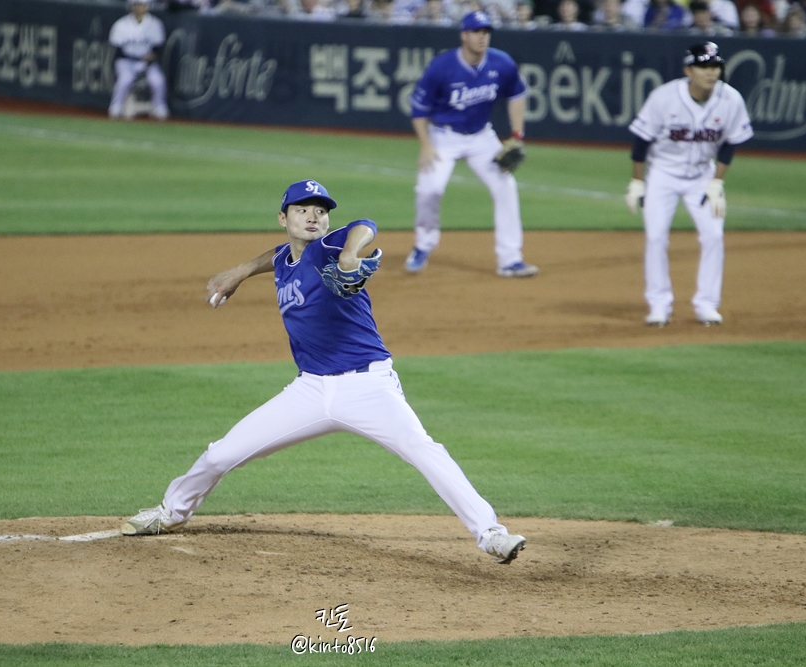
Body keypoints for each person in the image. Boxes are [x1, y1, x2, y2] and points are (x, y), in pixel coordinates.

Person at [121, 179, 528, 565]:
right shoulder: (286, 257)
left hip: (369, 387)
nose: (313, 217)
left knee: (424, 450)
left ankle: (490, 533)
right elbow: (276, 256)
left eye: (320, 211)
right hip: (310, 392)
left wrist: (350, 255)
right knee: (221, 453)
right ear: (284, 218)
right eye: (302, 210)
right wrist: (241, 271)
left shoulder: (328, 247)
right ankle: (171, 512)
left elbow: (364, 226)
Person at [625, 42, 753, 327]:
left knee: (714, 236)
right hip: (663, 174)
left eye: (715, 66)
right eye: (704, 66)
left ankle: (707, 304)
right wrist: (637, 180)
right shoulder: (664, 97)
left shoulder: (731, 99)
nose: (711, 72)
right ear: (688, 70)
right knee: (656, 237)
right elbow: (641, 141)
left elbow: (730, 144)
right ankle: (659, 305)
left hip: (702, 175)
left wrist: (717, 183)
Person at [405, 11, 538, 278]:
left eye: (486, 32)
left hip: (481, 137)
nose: (482, 37)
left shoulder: (501, 63)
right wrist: (426, 145)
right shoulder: (442, 67)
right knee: (429, 190)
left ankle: (510, 259)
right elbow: (418, 109)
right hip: (443, 136)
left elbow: (517, 95)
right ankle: (423, 245)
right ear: (464, 35)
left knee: (506, 186)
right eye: (477, 32)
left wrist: (517, 135)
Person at [108, 0, 169, 120]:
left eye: (142, 4)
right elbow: (118, 50)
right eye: (137, 4)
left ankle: (160, 107)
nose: (139, 7)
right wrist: (138, 58)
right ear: (132, 6)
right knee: (125, 79)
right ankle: (116, 107)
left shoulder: (154, 24)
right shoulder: (121, 24)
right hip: (127, 61)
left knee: (158, 80)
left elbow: (158, 48)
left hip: (147, 63)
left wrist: (151, 57)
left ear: (146, 6)